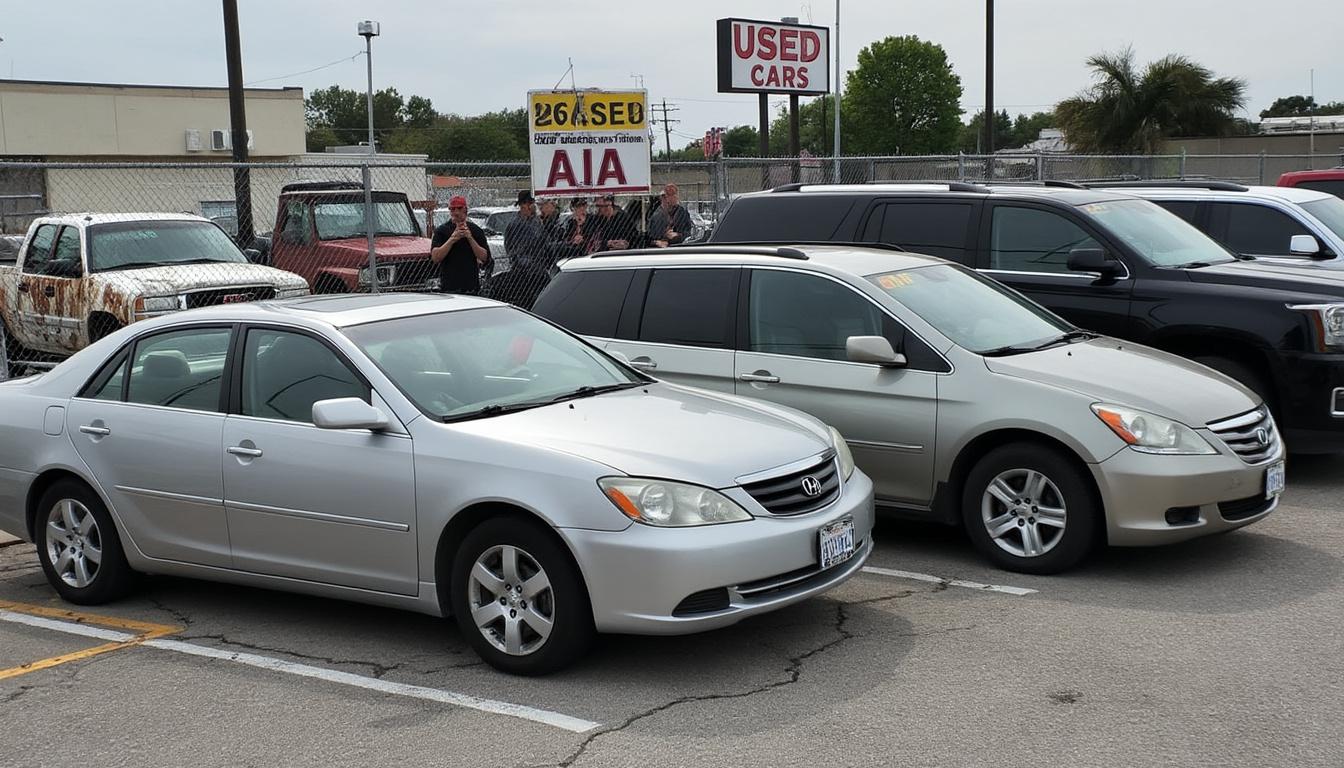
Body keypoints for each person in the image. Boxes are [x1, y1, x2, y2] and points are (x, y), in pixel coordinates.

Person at [430, 195, 489, 295]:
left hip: (471, 286)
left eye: (459, 208)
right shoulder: (441, 231)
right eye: (452, 209)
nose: (456, 212)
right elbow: (435, 257)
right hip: (449, 287)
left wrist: (470, 238)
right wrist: (452, 239)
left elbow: (484, 257)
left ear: (465, 210)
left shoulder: (476, 230)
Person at [503, 190, 547, 269]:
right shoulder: (515, 224)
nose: (533, 206)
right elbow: (509, 245)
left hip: (538, 264)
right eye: (530, 203)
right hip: (521, 265)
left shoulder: (536, 221)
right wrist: (517, 260)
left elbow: (542, 241)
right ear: (523, 205)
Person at [648, 183, 693, 248]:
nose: (668, 199)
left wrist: (678, 235)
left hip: (678, 249)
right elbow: (647, 237)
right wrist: (657, 242)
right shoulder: (654, 214)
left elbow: (689, 233)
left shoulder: (682, 213)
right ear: (662, 198)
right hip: (657, 251)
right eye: (666, 196)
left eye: (673, 195)